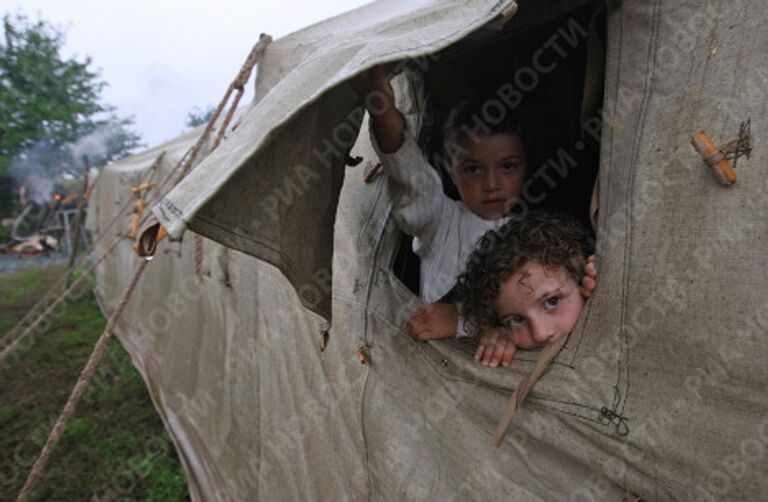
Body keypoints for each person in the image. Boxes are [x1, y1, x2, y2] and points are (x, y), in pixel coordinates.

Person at [353, 65, 528, 337]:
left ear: (525, 167)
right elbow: (408, 171)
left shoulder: (538, 239)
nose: (492, 184)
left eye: (507, 167)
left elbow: (543, 314)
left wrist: (462, 322)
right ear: (450, 169)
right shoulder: (441, 220)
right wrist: (382, 107)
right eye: (473, 169)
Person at [455, 211, 596, 368]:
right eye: (516, 320)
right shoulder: (509, 336)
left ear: (581, 280)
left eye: (552, 301)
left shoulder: (597, 287)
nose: (540, 333)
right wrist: (498, 338)